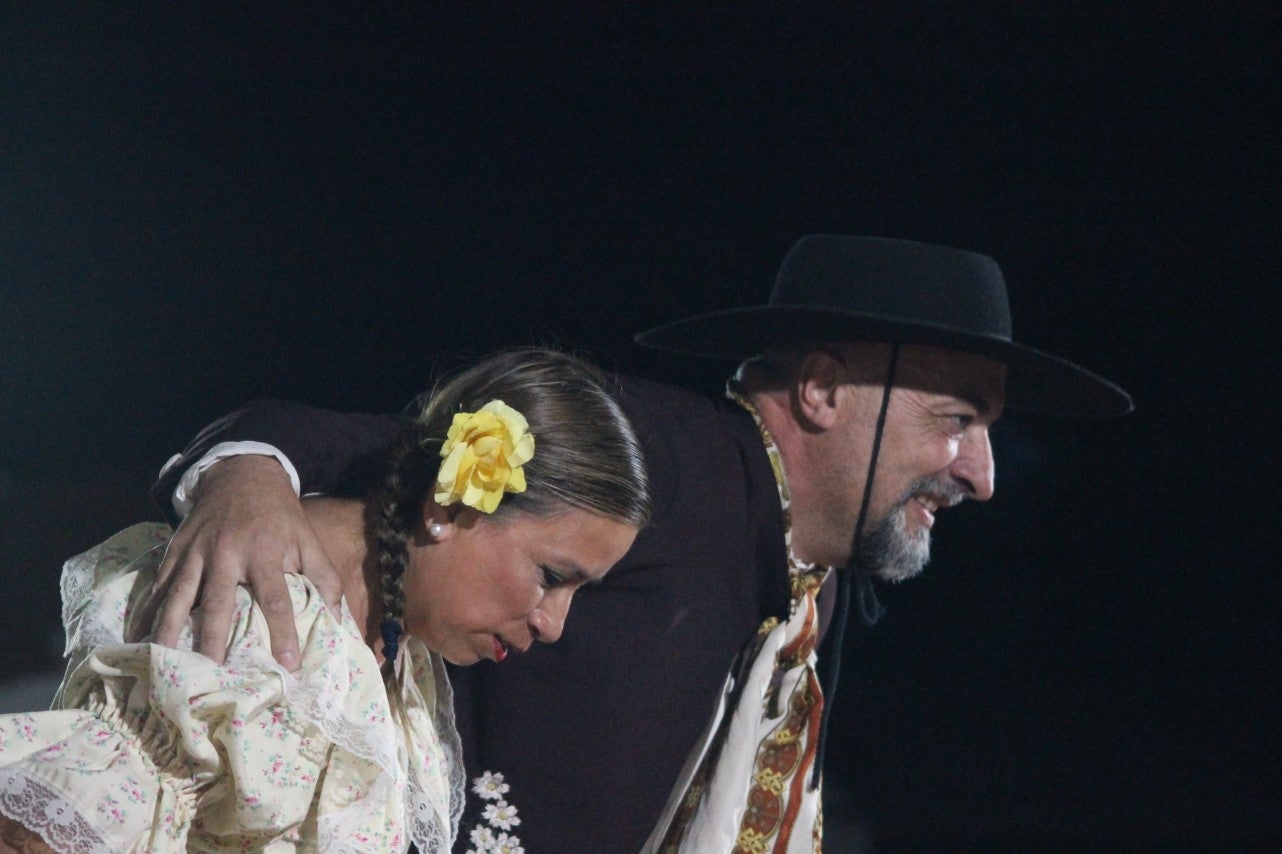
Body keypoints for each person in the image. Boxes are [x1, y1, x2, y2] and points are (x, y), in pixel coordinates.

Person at [128, 236, 1131, 852]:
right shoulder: (668, 457)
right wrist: (246, 472)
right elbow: (404, 452)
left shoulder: (813, 591)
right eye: (957, 419)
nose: (980, 472)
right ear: (822, 390)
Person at [0, 348, 649, 854]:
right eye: (551, 576)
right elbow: (49, 825)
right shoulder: (255, 612)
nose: (554, 624)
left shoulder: (397, 661)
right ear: (449, 507)